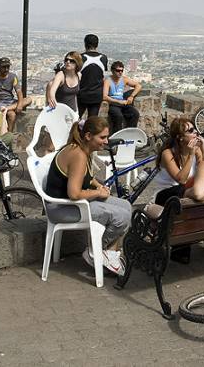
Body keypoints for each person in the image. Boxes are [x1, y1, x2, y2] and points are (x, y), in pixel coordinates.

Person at [45, 116, 131, 275]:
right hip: (62, 208)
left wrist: (98, 185)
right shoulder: (78, 155)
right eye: (103, 137)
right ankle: (95, 252)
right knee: (121, 217)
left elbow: (83, 177)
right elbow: (74, 193)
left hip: (73, 204)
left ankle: (107, 253)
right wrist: (98, 193)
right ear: (88, 136)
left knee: (126, 206)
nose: (106, 141)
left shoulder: (82, 149)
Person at [154, 116, 204, 206]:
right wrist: (191, 155)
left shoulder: (197, 150)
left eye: (195, 129)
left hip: (184, 195)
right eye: (191, 130)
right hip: (165, 197)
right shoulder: (167, 153)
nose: (196, 132)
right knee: (184, 189)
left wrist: (203, 148)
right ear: (180, 137)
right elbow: (181, 180)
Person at [0, 58, 30, 132]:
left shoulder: (13, 77)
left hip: (9, 102)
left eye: (8, 67)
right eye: (4, 67)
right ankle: (9, 134)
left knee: (28, 99)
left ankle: (6, 109)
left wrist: (20, 104)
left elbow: (19, 92)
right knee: (12, 115)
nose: (6, 69)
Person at [103, 61, 142, 134]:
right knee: (118, 117)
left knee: (135, 114)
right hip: (113, 103)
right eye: (118, 70)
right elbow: (104, 96)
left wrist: (131, 96)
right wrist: (118, 102)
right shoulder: (108, 81)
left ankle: (130, 135)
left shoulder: (124, 79)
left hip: (123, 102)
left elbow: (138, 86)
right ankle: (117, 138)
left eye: (122, 71)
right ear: (112, 71)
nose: (120, 72)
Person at [78, 34, 108, 119]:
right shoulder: (103, 58)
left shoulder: (81, 57)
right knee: (92, 121)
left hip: (82, 94)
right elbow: (103, 75)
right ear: (97, 44)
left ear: (85, 44)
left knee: (75, 119)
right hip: (97, 95)